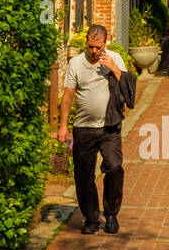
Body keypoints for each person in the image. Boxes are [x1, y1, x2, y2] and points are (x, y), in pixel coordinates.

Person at [57, 24, 134, 235]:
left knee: (115, 167)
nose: (94, 51)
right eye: (91, 46)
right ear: (86, 44)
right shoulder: (76, 63)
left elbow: (129, 89)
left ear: (105, 45)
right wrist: (63, 125)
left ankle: (110, 215)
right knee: (84, 175)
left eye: (98, 47)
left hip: (109, 127)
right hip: (83, 128)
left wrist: (115, 69)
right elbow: (68, 96)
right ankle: (91, 217)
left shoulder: (115, 59)